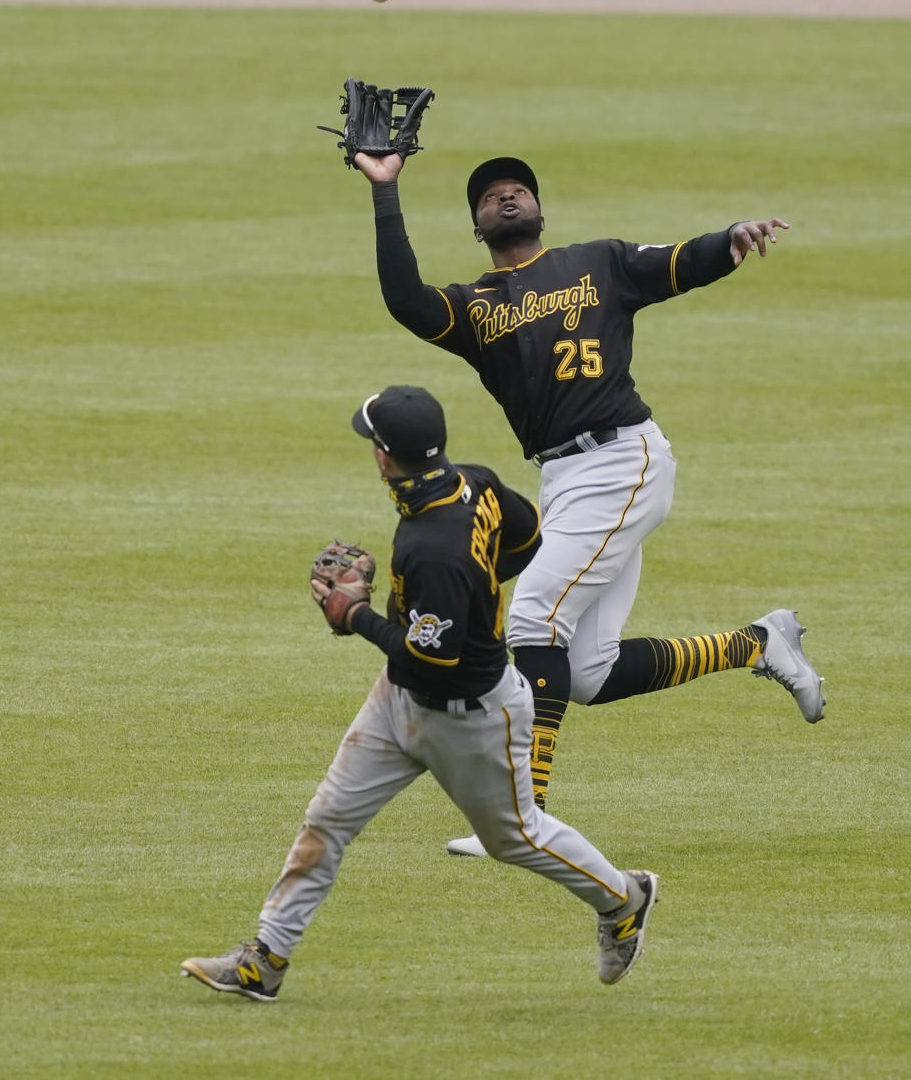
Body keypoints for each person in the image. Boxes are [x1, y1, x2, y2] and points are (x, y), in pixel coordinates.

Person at [351, 152, 825, 857]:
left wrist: (729, 240)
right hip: (564, 479)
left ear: (539, 209)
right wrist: (385, 191)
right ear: (478, 226)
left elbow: (676, 262)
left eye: (517, 190)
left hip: (622, 457)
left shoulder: (598, 262)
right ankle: (757, 642)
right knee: (589, 671)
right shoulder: (477, 309)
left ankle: (523, 815)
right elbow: (404, 299)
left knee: (537, 615)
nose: (505, 197)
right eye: (490, 196)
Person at [179, 385, 659, 1000]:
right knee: (327, 821)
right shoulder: (474, 483)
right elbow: (527, 537)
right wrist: (458, 598)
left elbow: (434, 659)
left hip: (474, 721)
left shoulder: (432, 546)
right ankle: (264, 960)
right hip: (398, 699)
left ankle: (625, 897)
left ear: (384, 456)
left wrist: (353, 616)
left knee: (515, 838)